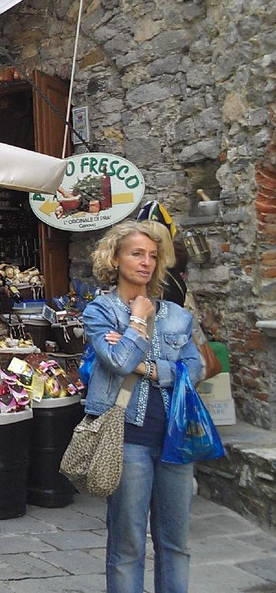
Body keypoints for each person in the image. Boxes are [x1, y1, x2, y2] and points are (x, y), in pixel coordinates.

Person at [83, 220, 203, 593]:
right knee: (128, 542)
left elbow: (195, 368)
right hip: (126, 438)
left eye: (153, 256)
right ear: (115, 258)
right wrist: (136, 319)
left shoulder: (176, 315)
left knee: (175, 543)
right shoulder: (100, 312)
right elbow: (117, 363)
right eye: (137, 254)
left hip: (175, 437)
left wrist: (145, 366)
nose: (146, 263)